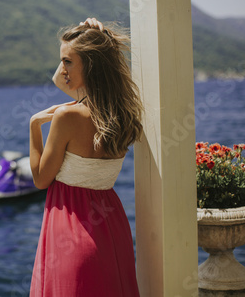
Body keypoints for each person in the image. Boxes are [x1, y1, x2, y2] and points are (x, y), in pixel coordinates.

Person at [29, 18, 142, 296]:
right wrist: (91, 38)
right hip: (112, 228)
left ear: (90, 65)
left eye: (68, 62)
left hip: (71, 229)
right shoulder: (124, 113)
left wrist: (34, 126)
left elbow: (41, 180)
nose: (62, 70)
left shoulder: (69, 116)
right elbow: (62, 78)